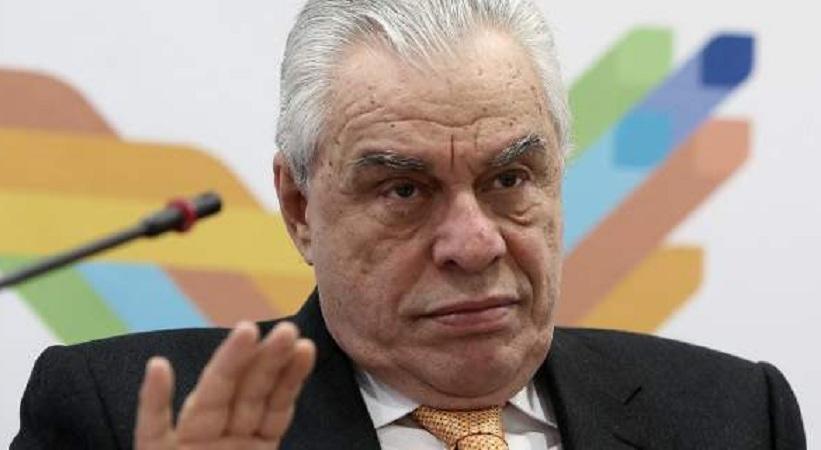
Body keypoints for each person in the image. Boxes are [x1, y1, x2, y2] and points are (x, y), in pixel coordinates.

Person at [12, 1, 806, 449]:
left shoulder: (736, 415)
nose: (473, 243)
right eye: (403, 190)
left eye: (508, 179)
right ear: (299, 208)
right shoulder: (118, 417)